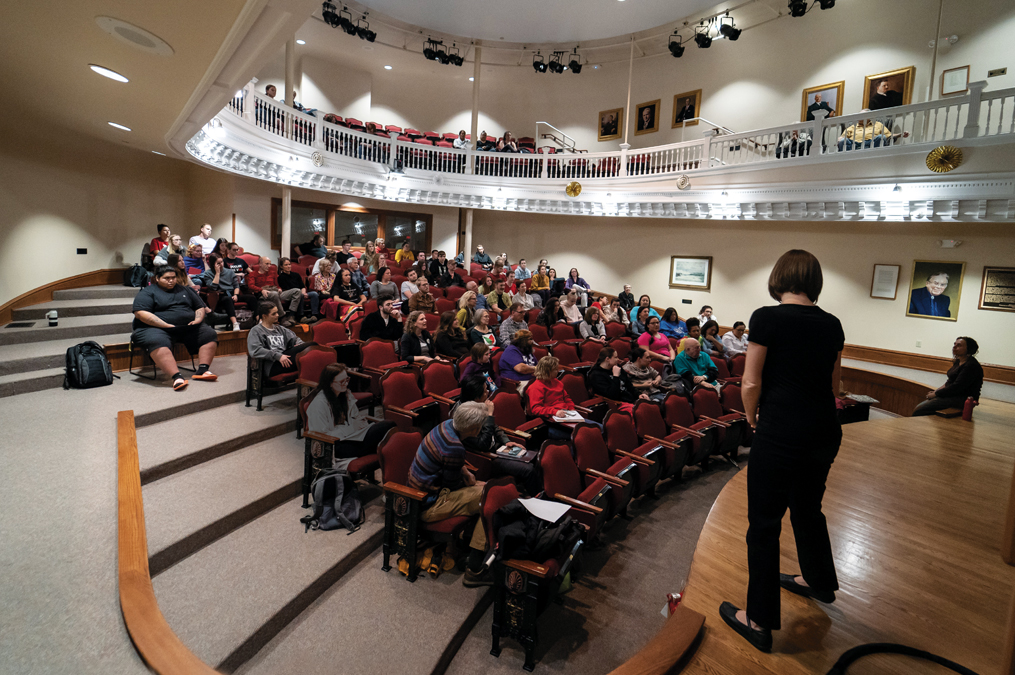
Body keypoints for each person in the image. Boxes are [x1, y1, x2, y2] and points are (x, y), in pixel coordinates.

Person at [719, 250, 845, 652]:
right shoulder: (832, 324)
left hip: (781, 429)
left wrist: (754, 420)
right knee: (808, 508)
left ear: (778, 278)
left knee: (764, 523)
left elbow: (751, 382)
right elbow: (835, 385)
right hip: (824, 429)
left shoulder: (767, 317)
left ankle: (758, 619)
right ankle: (819, 581)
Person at [407, 402, 494, 587]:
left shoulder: (446, 425)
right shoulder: (455, 447)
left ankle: (474, 548)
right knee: (488, 498)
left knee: (486, 491)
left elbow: (449, 462)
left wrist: (466, 474)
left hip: (424, 492)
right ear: (473, 428)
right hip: (427, 504)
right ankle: (475, 567)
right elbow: (451, 485)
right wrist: (472, 482)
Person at [131, 266, 219, 391]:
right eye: (167, 278)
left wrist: (197, 320)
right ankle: (177, 377)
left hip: (186, 327)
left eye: (173, 278)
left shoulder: (185, 290)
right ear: (157, 278)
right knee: (157, 341)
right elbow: (140, 313)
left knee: (208, 334)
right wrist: (165, 325)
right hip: (155, 328)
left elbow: (199, 306)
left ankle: (203, 370)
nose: (171, 281)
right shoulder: (147, 292)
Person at [455, 376, 540, 496]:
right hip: (489, 457)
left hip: (500, 448)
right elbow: (483, 445)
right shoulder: (466, 416)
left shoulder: (480, 405)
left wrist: (506, 441)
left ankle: (531, 494)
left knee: (537, 457)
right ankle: (536, 501)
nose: (488, 392)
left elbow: (495, 427)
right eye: (485, 390)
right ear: (476, 397)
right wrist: (489, 415)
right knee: (528, 470)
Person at [306, 363, 397, 460]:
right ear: (330, 383)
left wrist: (360, 423)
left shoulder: (345, 394)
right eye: (341, 382)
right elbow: (322, 437)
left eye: (347, 379)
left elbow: (355, 416)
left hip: (353, 436)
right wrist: (352, 428)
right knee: (387, 429)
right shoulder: (318, 404)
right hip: (336, 446)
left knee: (389, 431)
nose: (346, 384)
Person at [912, 337, 984, 416]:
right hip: (952, 395)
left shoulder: (971, 366)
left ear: (969, 349)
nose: (954, 347)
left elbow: (957, 387)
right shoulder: (958, 361)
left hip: (962, 399)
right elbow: (949, 381)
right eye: (954, 344)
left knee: (919, 410)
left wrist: (936, 394)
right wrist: (936, 391)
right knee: (921, 407)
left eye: (959, 345)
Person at [247, 301, 315, 378]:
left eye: (277, 313)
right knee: (312, 346)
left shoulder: (280, 329)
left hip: (286, 359)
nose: (277, 315)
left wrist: (299, 344)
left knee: (311, 349)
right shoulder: (256, 331)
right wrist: (277, 356)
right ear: (264, 316)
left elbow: (295, 339)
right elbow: (255, 350)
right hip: (273, 365)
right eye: (274, 314)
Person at [526, 356, 578, 437]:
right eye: (555, 369)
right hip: (551, 421)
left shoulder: (557, 382)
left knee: (597, 428)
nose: (558, 371)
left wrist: (572, 409)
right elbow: (536, 409)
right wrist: (555, 412)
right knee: (579, 436)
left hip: (567, 416)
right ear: (548, 371)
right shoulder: (535, 387)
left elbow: (566, 398)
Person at [589, 346, 648, 412]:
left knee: (651, 406)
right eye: (615, 357)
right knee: (641, 412)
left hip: (629, 399)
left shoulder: (617, 367)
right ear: (607, 359)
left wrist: (639, 394)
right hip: (616, 403)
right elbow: (612, 395)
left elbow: (629, 385)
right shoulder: (596, 375)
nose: (618, 359)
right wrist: (615, 377)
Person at [248, 256, 301, 327]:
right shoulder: (253, 274)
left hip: (275, 291)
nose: (269, 266)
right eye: (267, 264)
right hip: (263, 293)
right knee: (274, 294)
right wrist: (261, 290)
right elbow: (250, 286)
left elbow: (277, 284)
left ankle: (291, 315)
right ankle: (282, 317)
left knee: (297, 291)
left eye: (270, 264)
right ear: (260, 264)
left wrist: (279, 288)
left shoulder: (272, 273)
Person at [198, 254, 243, 331]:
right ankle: (235, 323)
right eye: (218, 263)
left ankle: (259, 321)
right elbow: (213, 287)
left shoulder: (229, 272)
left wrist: (236, 295)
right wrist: (217, 273)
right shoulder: (208, 273)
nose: (221, 264)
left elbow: (236, 286)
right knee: (228, 299)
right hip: (219, 295)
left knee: (251, 298)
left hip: (232, 293)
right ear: (213, 264)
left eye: (221, 262)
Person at [277, 257, 317, 324]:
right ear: (281, 266)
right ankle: (301, 316)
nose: (288, 266)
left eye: (289, 264)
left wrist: (304, 293)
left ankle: (315, 315)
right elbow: (286, 289)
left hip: (300, 291)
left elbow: (302, 286)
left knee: (314, 294)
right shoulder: (281, 277)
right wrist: (301, 293)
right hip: (291, 294)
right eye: (286, 265)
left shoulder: (296, 275)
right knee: (299, 294)